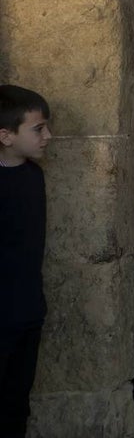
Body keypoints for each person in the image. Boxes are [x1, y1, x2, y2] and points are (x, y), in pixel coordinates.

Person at [0, 85, 52, 438]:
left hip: (27, 313)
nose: (48, 136)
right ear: (6, 135)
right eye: (38, 129)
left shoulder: (33, 176)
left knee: (15, 406)